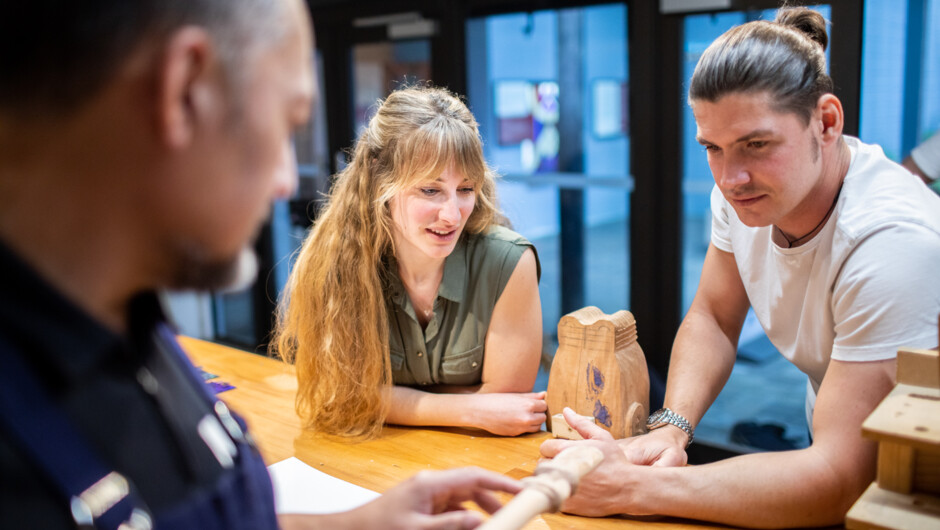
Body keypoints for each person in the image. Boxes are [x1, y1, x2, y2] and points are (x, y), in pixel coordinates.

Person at [0, 1, 521, 529]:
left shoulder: (137, 335)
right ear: (184, 91)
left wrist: (360, 523)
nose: (285, 181)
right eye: (285, 122)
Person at [540, 6, 940, 528]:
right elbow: (714, 315)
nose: (731, 178)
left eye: (756, 144)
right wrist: (672, 428)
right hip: (835, 445)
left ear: (826, 121)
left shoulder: (890, 241)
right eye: (713, 148)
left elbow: (841, 478)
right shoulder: (741, 195)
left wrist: (637, 487)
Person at [271, 86, 546, 439]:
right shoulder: (335, 261)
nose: (452, 215)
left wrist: (386, 400)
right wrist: (471, 406)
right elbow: (334, 394)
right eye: (430, 190)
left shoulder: (509, 261)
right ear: (378, 183)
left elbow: (509, 405)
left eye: (465, 189)